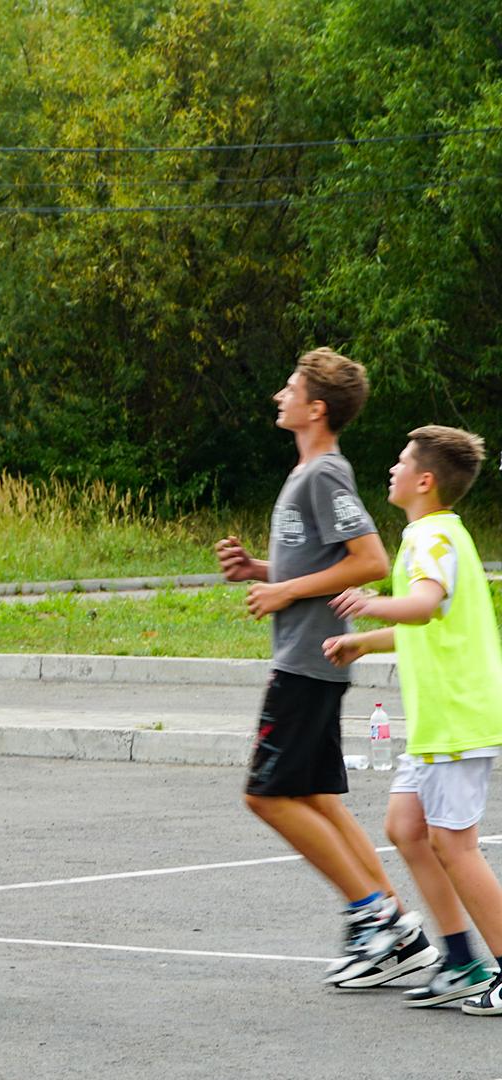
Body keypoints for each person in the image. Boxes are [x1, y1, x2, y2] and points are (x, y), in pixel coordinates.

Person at [214, 348, 423, 984]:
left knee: (266, 797)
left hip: (307, 662)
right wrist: (262, 572)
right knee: (317, 799)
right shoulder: (307, 472)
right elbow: (316, 567)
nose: (280, 395)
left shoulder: (326, 473)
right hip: (310, 658)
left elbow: (370, 562)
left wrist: (283, 593)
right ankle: (392, 921)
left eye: (290, 387)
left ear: (317, 408)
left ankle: (371, 917)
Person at [323, 426, 502, 1009]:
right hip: (436, 726)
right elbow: (424, 624)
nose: (392, 469)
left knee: (455, 845)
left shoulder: (430, 538)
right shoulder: (434, 536)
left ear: (424, 481)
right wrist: (365, 642)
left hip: (455, 721)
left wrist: (369, 601)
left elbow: (422, 607)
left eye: (401, 461)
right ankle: (460, 962)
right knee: (406, 829)